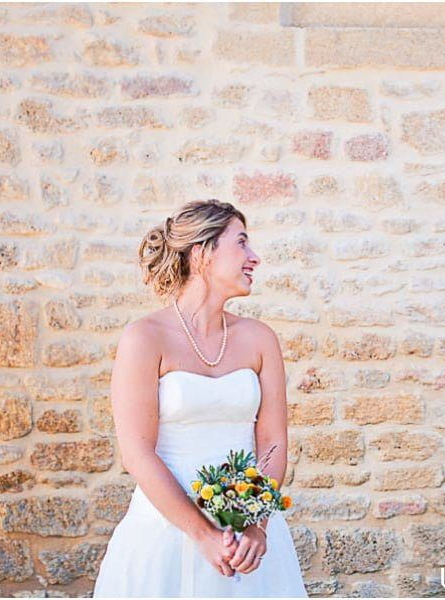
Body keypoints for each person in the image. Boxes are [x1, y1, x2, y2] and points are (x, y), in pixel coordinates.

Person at [94, 200, 307, 597]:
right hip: (163, 535)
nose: (254, 257)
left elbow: (274, 442)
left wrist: (256, 525)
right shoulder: (144, 338)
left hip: (247, 541)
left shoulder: (260, 339)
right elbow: (138, 453)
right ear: (203, 253)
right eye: (241, 243)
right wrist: (204, 536)